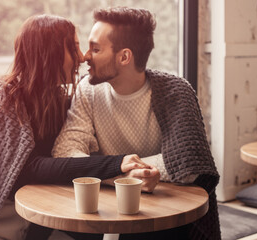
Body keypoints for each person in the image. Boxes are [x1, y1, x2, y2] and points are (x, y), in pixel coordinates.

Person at [0, 14, 153, 240]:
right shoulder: (0, 100)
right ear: (49, 53)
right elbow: (27, 169)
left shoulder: (59, 100)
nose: (82, 57)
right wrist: (116, 163)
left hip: (46, 216)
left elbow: (67, 157)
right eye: (73, 48)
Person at [52, 6, 221, 240]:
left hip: (163, 211)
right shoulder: (87, 90)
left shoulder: (175, 91)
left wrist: (114, 172)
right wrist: (123, 175)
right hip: (107, 207)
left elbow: (190, 164)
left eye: (96, 49)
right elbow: (64, 151)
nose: (85, 57)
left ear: (124, 57)